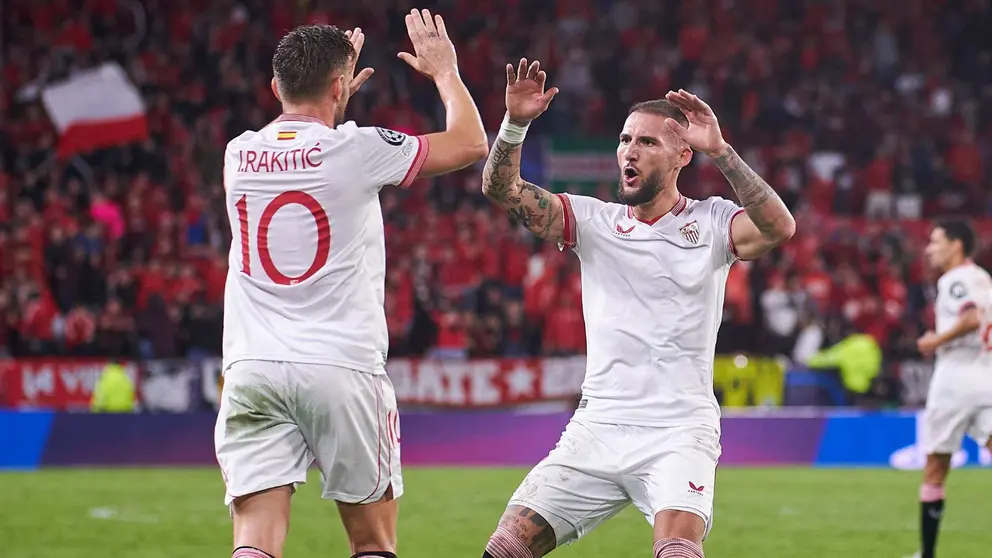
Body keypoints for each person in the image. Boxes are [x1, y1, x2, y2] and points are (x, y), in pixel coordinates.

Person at [479, 59, 796, 558]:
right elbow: (502, 189)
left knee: (676, 550)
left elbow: (780, 228)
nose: (630, 151)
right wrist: (515, 123)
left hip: (679, 430)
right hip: (597, 426)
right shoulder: (592, 221)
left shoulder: (712, 222)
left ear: (682, 155)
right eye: (626, 140)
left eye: (647, 142)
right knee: (505, 549)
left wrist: (722, 151)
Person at [214, 12, 487, 558]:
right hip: (341, 366)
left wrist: (334, 103)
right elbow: (470, 143)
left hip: (252, 366)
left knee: (255, 541)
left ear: (275, 87)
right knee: (372, 541)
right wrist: (444, 72)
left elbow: (303, 149)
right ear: (340, 87)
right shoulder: (357, 149)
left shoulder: (238, 154)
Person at [907, 221, 992, 558]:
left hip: (955, 380)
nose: (929, 249)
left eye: (936, 241)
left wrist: (935, 341)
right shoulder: (983, 277)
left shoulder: (955, 280)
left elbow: (971, 318)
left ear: (956, 245)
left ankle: (926, 555)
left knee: (935, 468)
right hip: (986, 375)